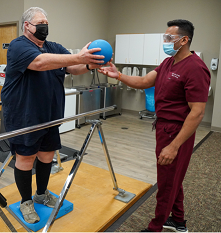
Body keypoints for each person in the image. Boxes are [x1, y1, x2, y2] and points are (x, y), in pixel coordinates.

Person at [99, 19, 210, 232]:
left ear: (184, 40)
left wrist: (174, 146)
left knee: (166, 182)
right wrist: (118, 75)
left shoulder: (196, 68)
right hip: (163, 128)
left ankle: (155, 227)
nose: (165, 41)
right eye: (165, 37)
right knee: (171, 177)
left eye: (170, 38)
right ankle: (178, 221)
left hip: (178, 132)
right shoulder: (169, 62)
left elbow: (197, 113)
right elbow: (144, 82)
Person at [1, 7, 105, 224]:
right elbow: (40, 63)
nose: (44, 26)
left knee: (47, 155)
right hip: (24, 116)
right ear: (27, 26)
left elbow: (73, 67)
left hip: (49, 116)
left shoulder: (53, 47)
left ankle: (41, 193)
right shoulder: (19, 46)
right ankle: (26, 201)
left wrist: (88, 63)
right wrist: (79, 55)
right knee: (25, 158)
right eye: (40, 22)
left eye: (46, 23)